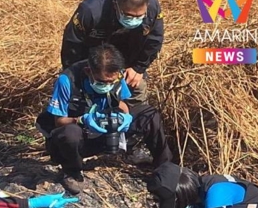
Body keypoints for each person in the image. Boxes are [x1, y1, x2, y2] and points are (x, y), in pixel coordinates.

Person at [36, 43, 173, 194]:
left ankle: (165, 168)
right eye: (102, 82)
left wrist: (124, 116)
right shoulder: (67, 80)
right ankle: (72, 172)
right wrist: (82, 120)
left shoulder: (117, 75)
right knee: (70, 133)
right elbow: (59, 121)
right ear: (89, 72)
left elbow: (122, 102)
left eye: (111, 82)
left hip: (106, 132)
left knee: (149, 115)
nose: (107, 85)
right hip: (80, 139)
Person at [61, 0, 164, 106]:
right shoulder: (90, 11)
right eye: (129, 16)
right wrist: (76, 77)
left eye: (139, 16)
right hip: (95, 60)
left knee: (136, 90)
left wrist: (139, 68)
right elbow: (72, 46)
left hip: (129, 54)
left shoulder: (152, 7)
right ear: (116, 5)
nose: (134, 20)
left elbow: (154, 39)